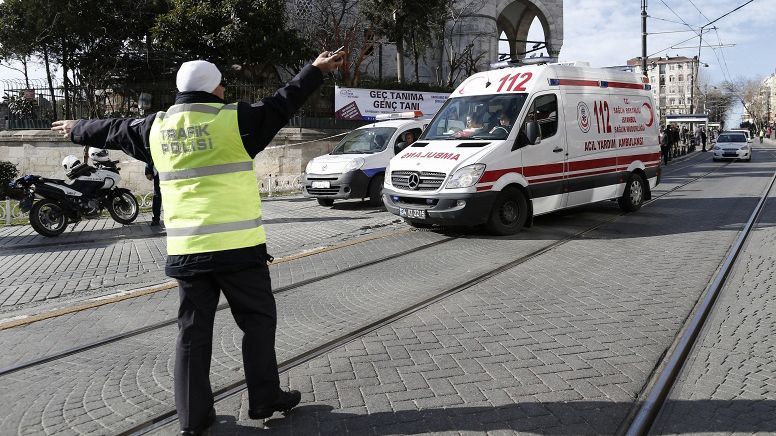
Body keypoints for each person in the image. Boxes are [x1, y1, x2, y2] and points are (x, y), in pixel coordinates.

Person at [52, 51, 344, 435]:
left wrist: (76, 127)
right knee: (257, 323)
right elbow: (285, 101)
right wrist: (316, 70)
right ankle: (264, 399)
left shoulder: (154, 128)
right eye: (222, 83)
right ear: (213, 87)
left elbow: (111, 129)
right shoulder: (237, 120)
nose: (225, 88)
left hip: (188, 251)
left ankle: (192, 418)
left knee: (192, 333)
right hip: (239, 249)